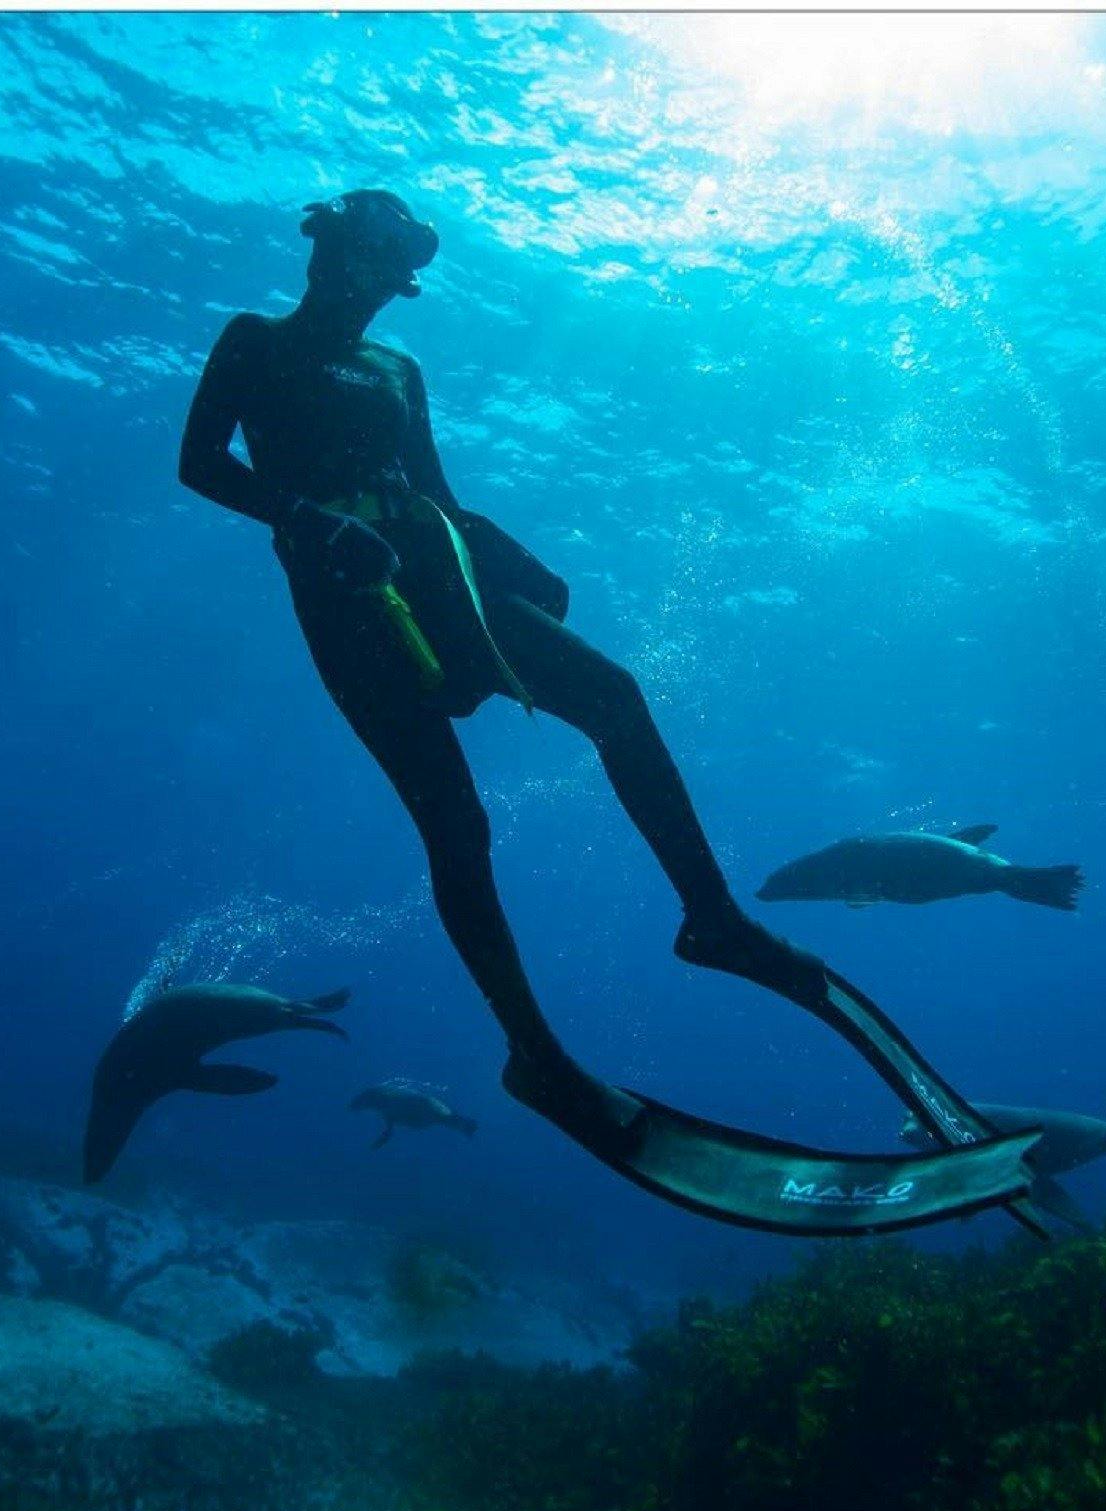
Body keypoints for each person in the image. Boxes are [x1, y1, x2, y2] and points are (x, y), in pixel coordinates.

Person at [178, 190, 1044, 1236]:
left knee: (618, 697)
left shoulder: (400, 371)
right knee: (456, 825)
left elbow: (438, 495)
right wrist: (309, 521)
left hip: (443, 578)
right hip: (343, 603)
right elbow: (201, 464)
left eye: (385, 264)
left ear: (396, 280)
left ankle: (713, 918)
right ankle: (533, 1053)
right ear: (320, 253)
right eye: (352, 254)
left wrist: (506, 550)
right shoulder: (254, 341)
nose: (359, 279)